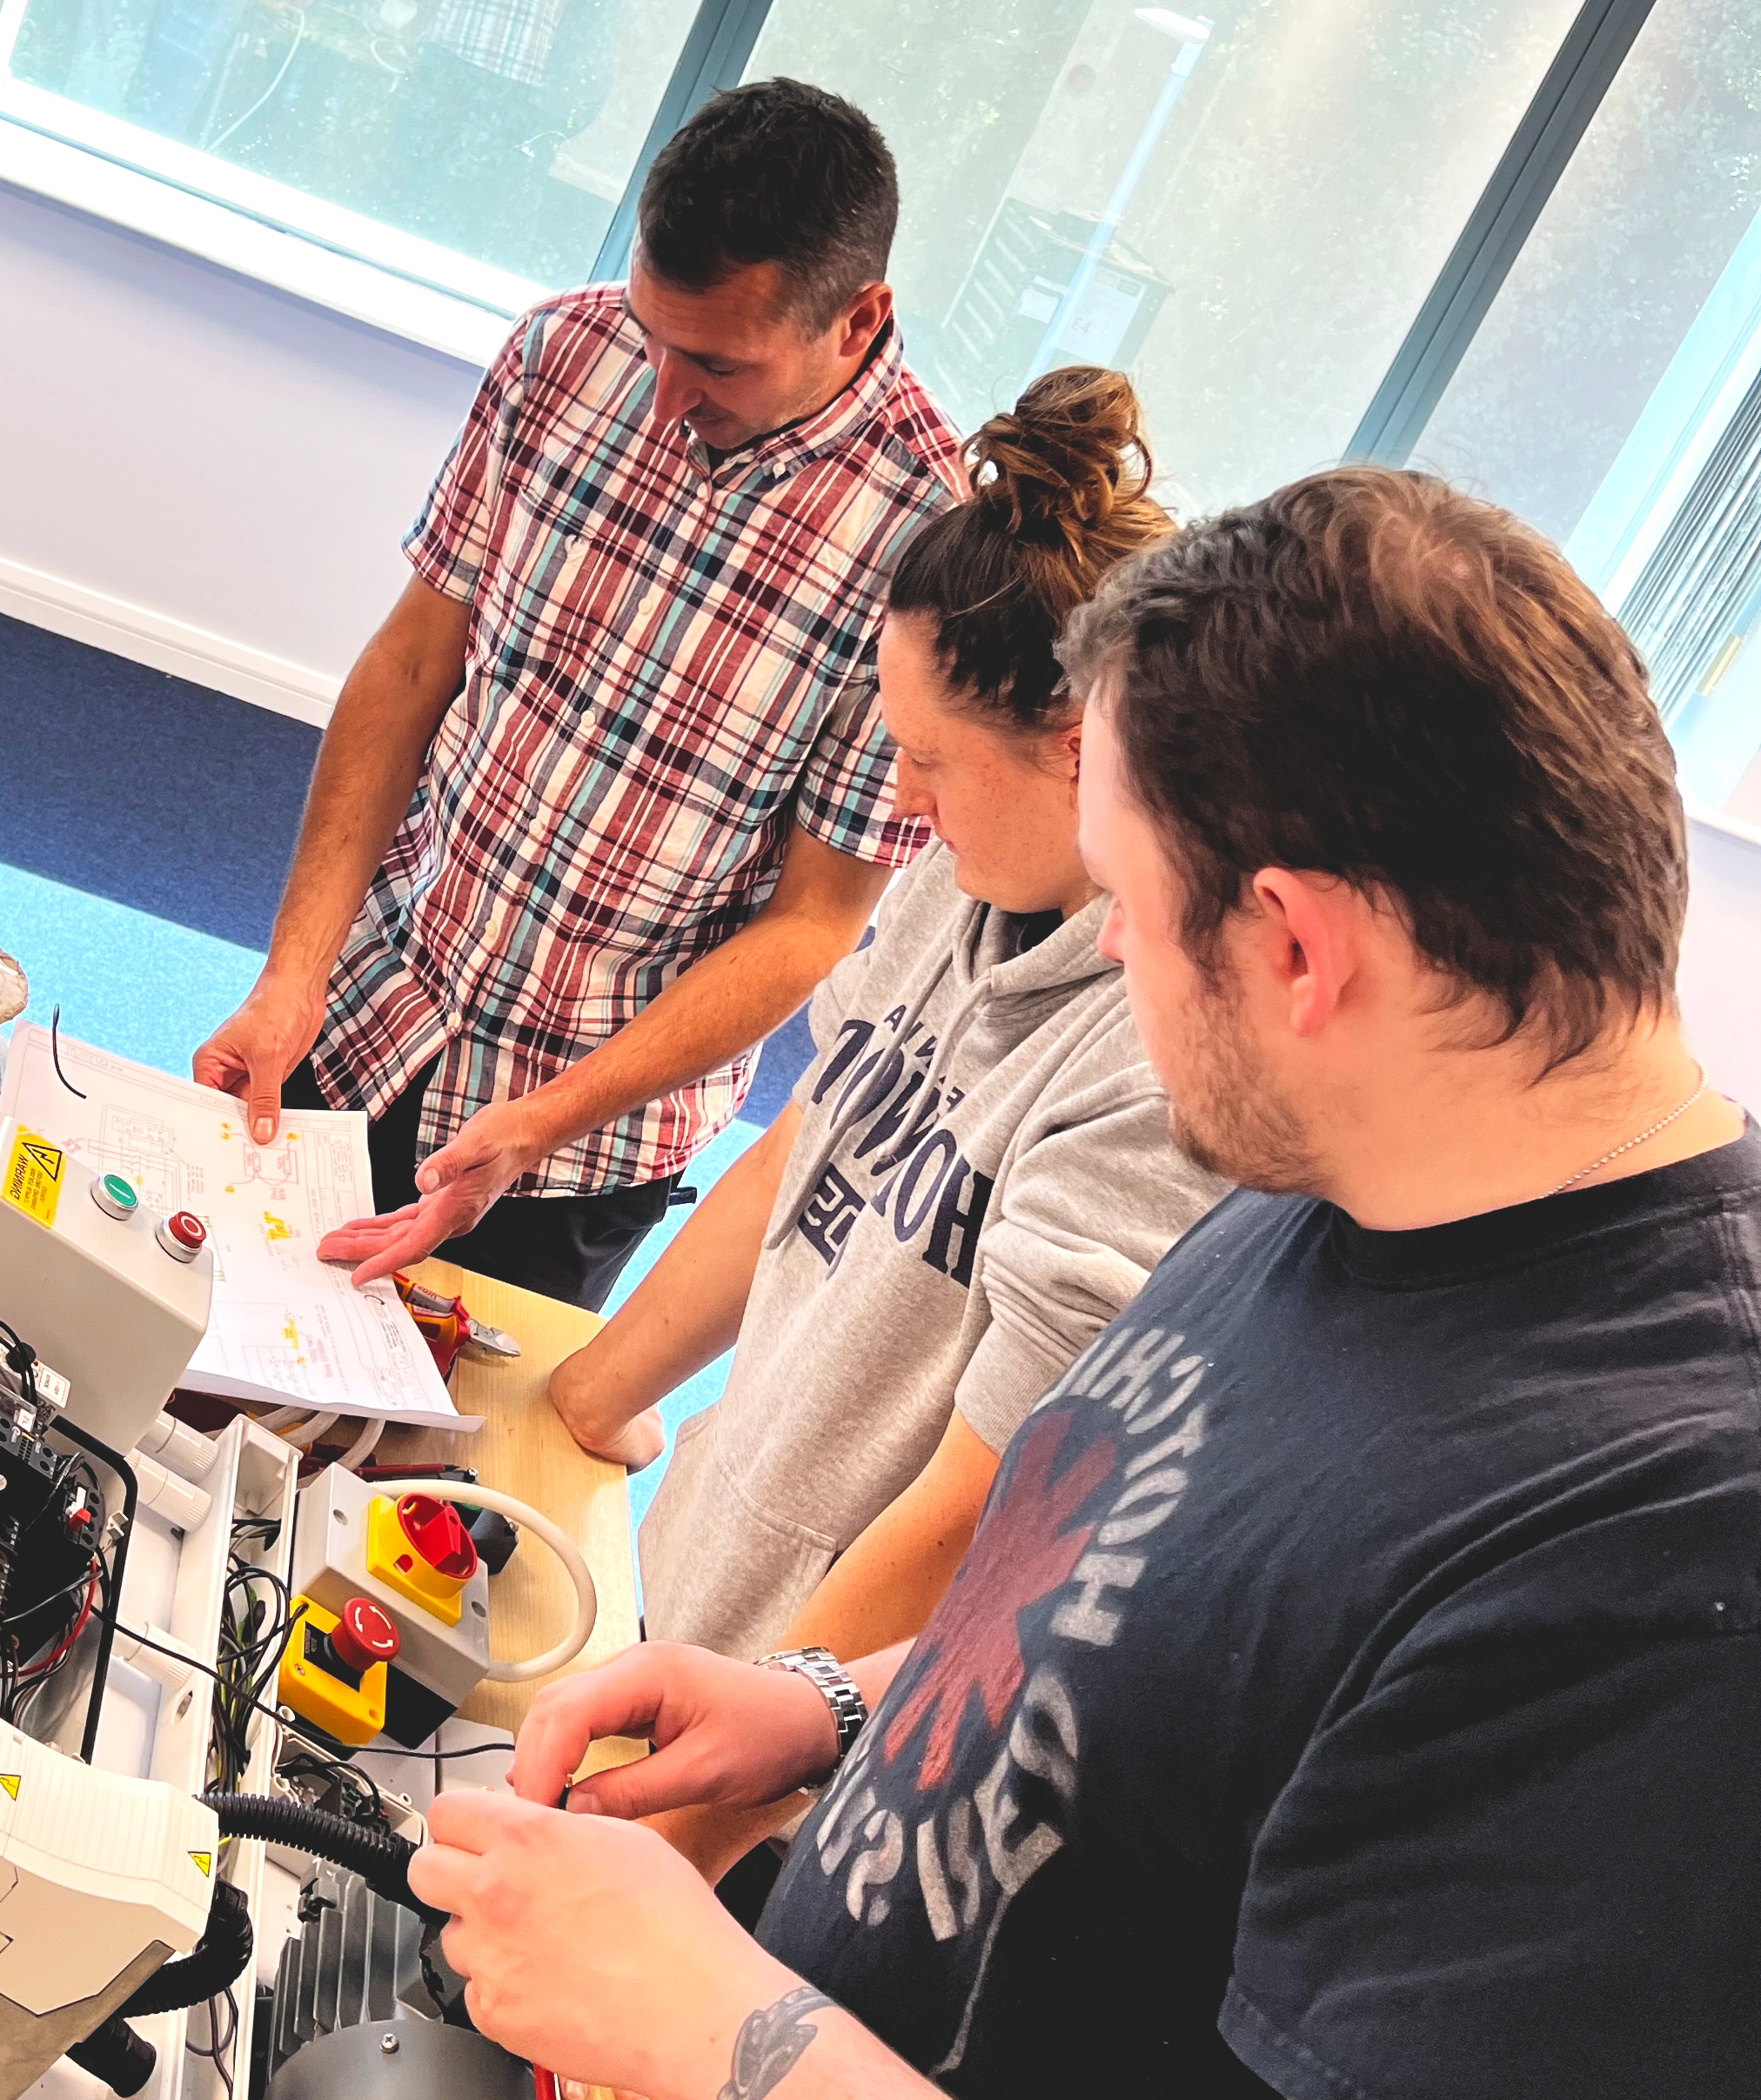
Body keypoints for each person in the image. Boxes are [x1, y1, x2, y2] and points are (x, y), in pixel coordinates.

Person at [410, 466, 1761, 2100]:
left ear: (1296, 950)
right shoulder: (1346, 1174)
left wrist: (716, 2025)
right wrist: (826, 1708)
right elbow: (1153, 1646)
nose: (1106, 952)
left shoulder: (1663, 1583)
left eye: (1127, 898)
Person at [192, 79, 965, 1309]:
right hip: (371, 1004)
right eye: (653, 336)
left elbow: (815, 921)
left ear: (858, 322)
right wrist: (294, 972)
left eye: (715, 361)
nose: (660, 395)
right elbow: (408, 669)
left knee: (422, 1482)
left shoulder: (933, 551)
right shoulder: (561, 353)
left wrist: (542, 1120)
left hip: (570, 1143)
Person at [550, 369, 1221, 1704]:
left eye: (935, 759)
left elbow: (981, 1507)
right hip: (702, 1583)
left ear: (1083, 749)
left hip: (808, 1733)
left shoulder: (1158, 1069)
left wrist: (684, 1823)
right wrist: (579, 1396)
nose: (901, 799)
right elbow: (813, 1142)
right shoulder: (960, 877)